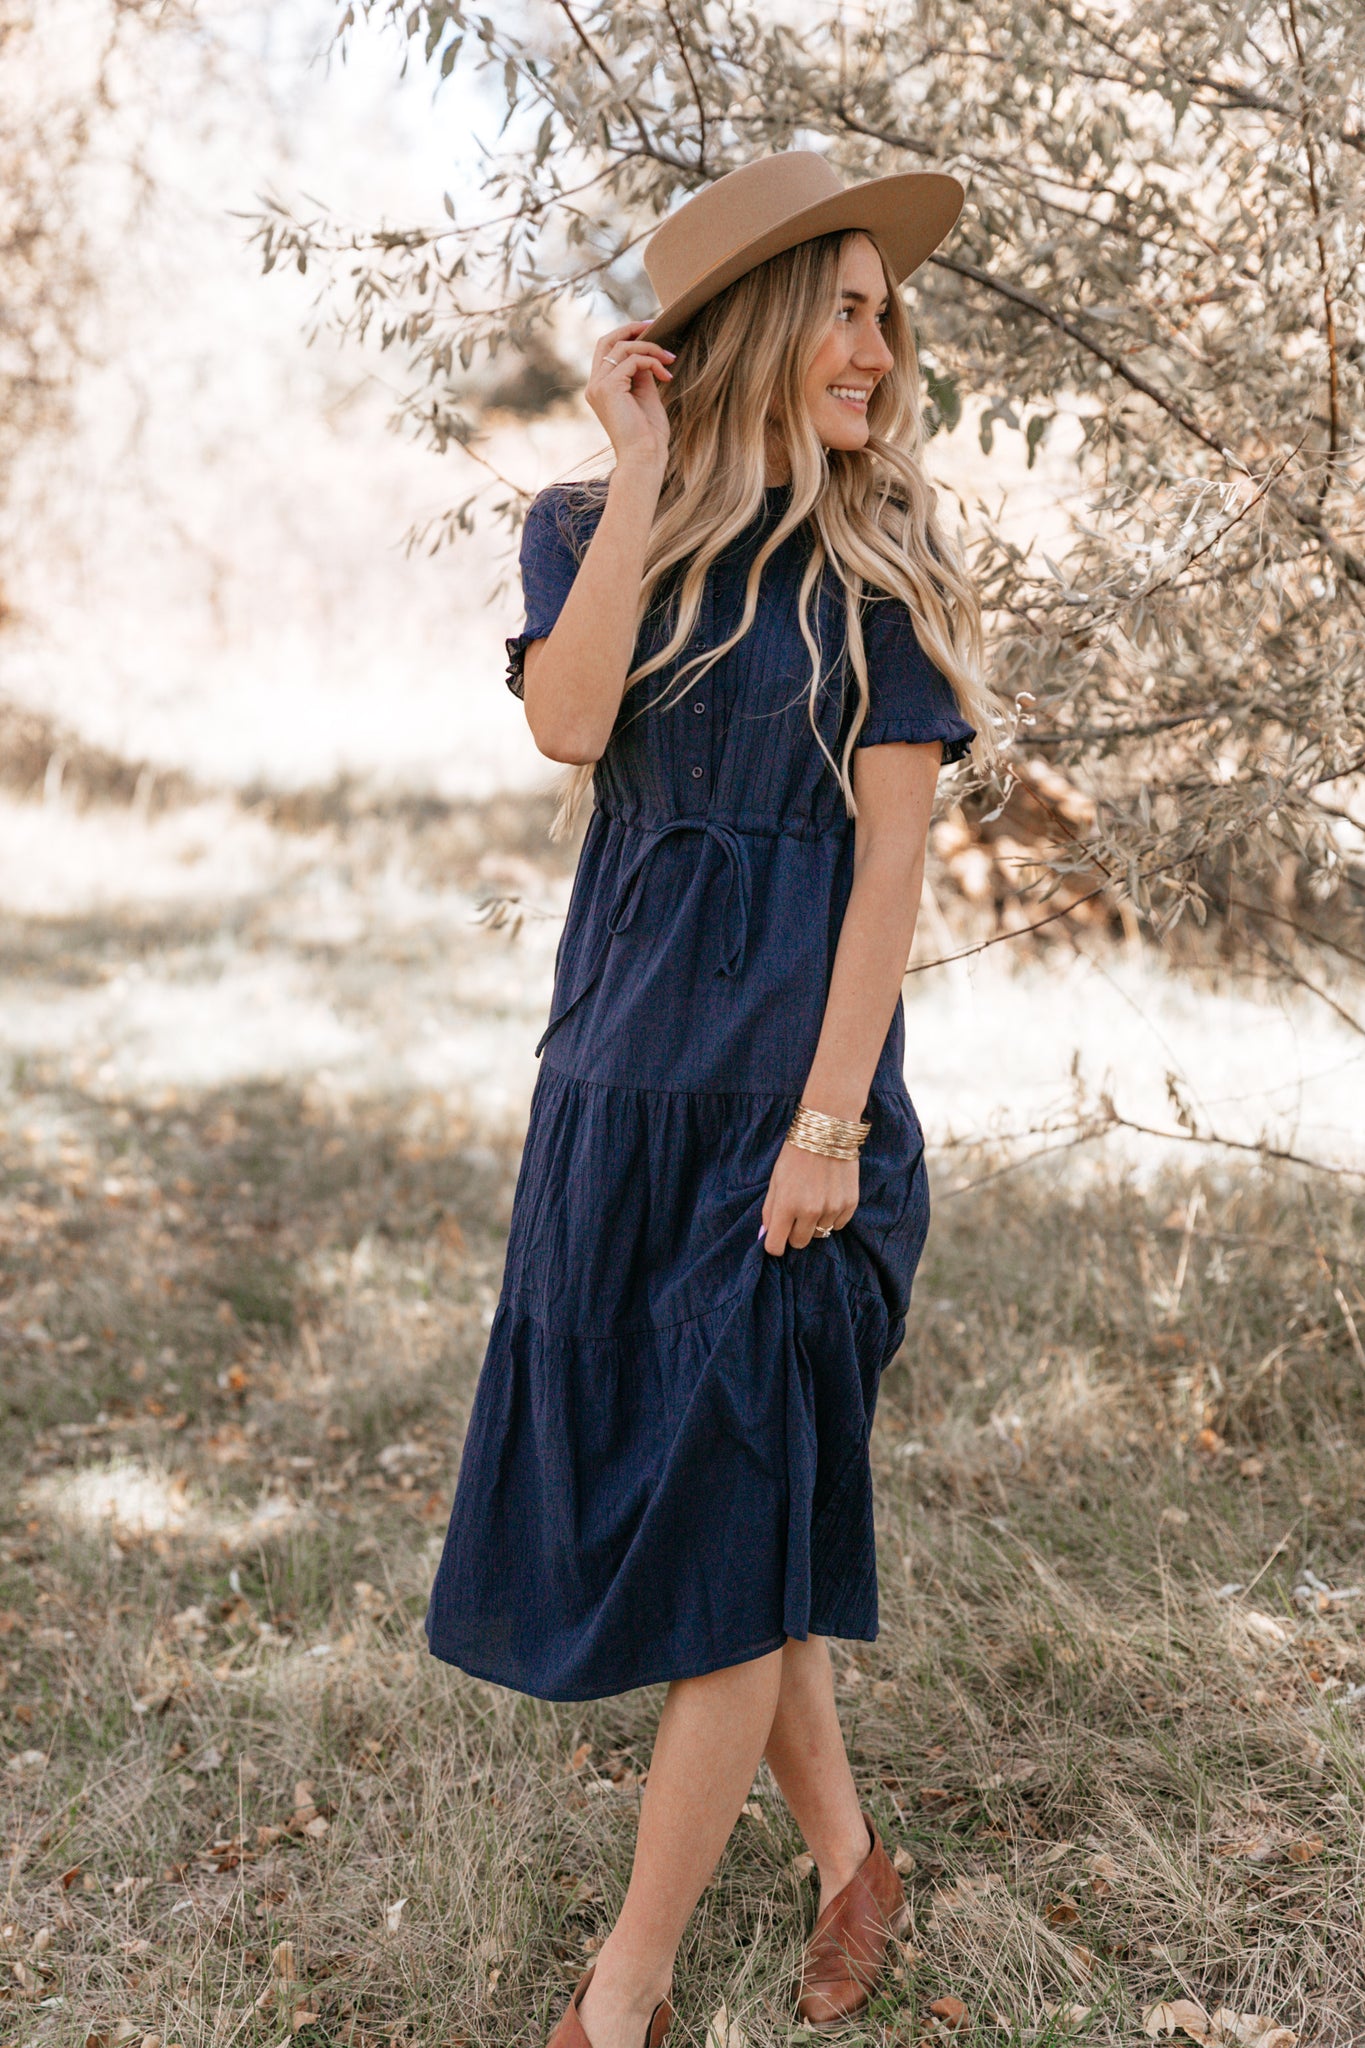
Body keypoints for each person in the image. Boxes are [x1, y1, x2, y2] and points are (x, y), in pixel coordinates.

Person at [425, 152, 996, 2048]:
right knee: (718, 1516)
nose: (877, 349)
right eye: (840, 313)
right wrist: (644, 463)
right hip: (614, 1090)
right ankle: (852, 1867)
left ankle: (626, 1991)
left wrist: (829, 1129)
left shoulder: (884, 556)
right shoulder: (589, 525)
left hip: (791, 1117)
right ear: (744, 331)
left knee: (730, 1522)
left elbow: (890, 866)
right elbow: (571, 723)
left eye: (883, 316)